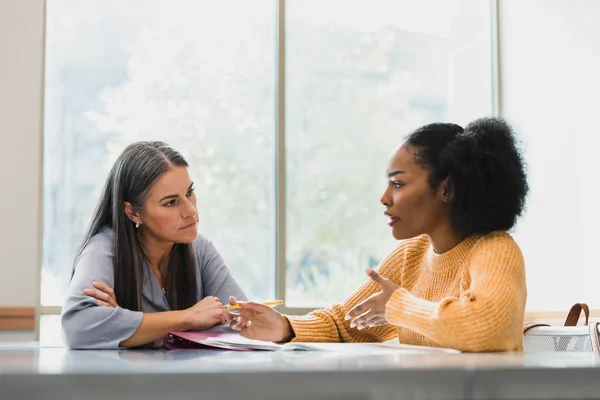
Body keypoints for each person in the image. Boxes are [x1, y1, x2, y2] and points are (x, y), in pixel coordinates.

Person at [231, 117, 529, 352]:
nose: (384, 198)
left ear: (446, 189)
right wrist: (285, 327)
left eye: (398, 184)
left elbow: (486, 328)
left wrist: (397, 306)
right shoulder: (410, 255)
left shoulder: (495, 249)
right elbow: (347, 325)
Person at [61, 141, 247, 349]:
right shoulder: (104, 248)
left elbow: (243, 324)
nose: (191, 211)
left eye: (189, 193)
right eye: (170, 202)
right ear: (132, 212)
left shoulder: (200, 249)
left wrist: (125, 325)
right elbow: (77, 327)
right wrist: (188, 318)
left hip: (189, 380)